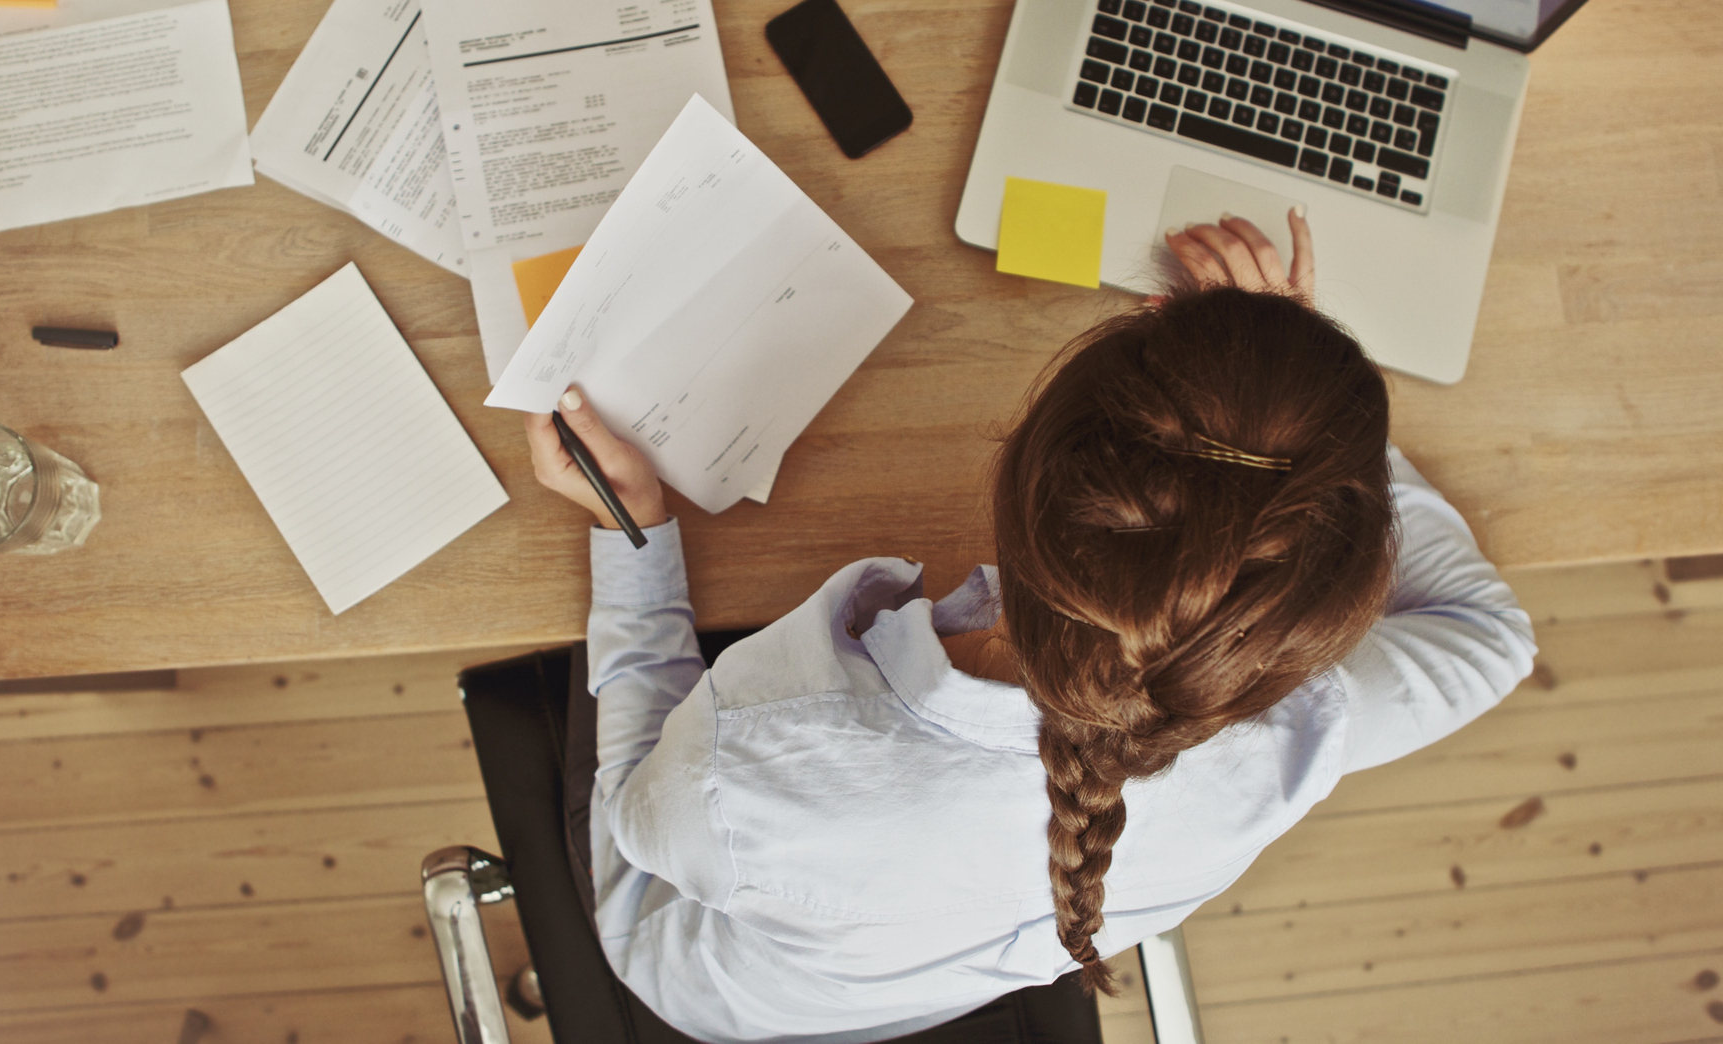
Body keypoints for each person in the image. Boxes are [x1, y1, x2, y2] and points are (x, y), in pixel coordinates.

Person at [521, 213, 1535, 1043]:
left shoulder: (749, 759)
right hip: (916, 988)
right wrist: (1305, 425)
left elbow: (637, 822)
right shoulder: (1297, 739)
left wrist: (635, 533)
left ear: (1016, 463)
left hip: (697, 979)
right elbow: (1491, 640)